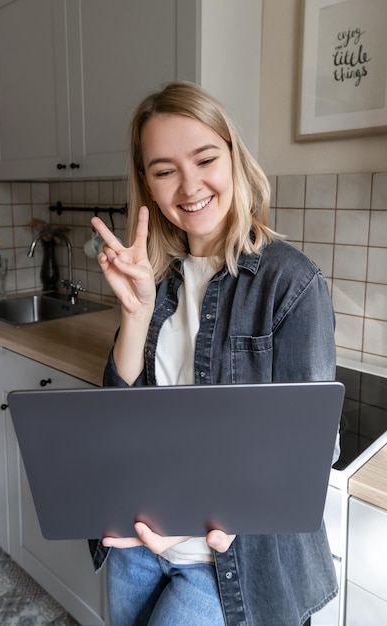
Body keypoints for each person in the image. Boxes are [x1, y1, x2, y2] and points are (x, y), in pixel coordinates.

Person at [89, 81, 338, 626]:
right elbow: (119, 421)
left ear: (234, 160)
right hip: (137, 546)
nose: (189, 185)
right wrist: (134, 316)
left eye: (204, 159)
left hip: (228, 563)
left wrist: (207, 509)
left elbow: (309, 450)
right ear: (148, 186)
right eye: (163, 170)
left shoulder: (291, 282)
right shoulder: (155, 279)